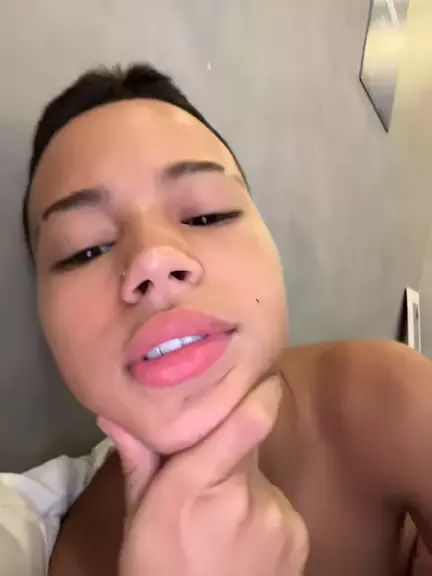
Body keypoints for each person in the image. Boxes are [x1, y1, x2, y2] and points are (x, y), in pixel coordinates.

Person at [16, 63, 432, 575]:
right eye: (85, 249)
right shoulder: (73, 560)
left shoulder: (390, 400)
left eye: (206, 215)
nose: (153, 260)